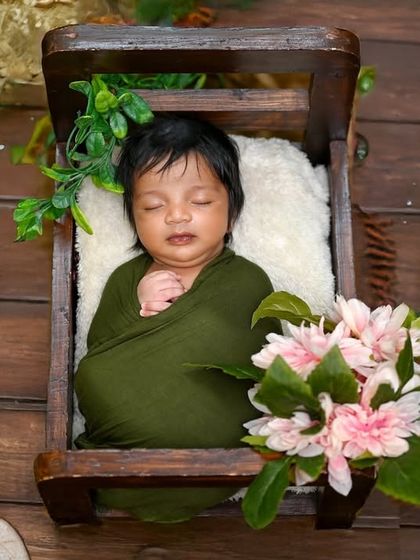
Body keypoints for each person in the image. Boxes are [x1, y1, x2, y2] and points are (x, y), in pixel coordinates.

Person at [74, 114, 279, 522]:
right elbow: (102, 351)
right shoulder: (126, 278)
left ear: (231, 213)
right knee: (93, 376)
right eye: (153, 206)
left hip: (214, 432)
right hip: (128, 418)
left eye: (200, 202)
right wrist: (140, 311)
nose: (177, 216)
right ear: (134, 218)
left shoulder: (246, 279)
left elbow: (262, 356)